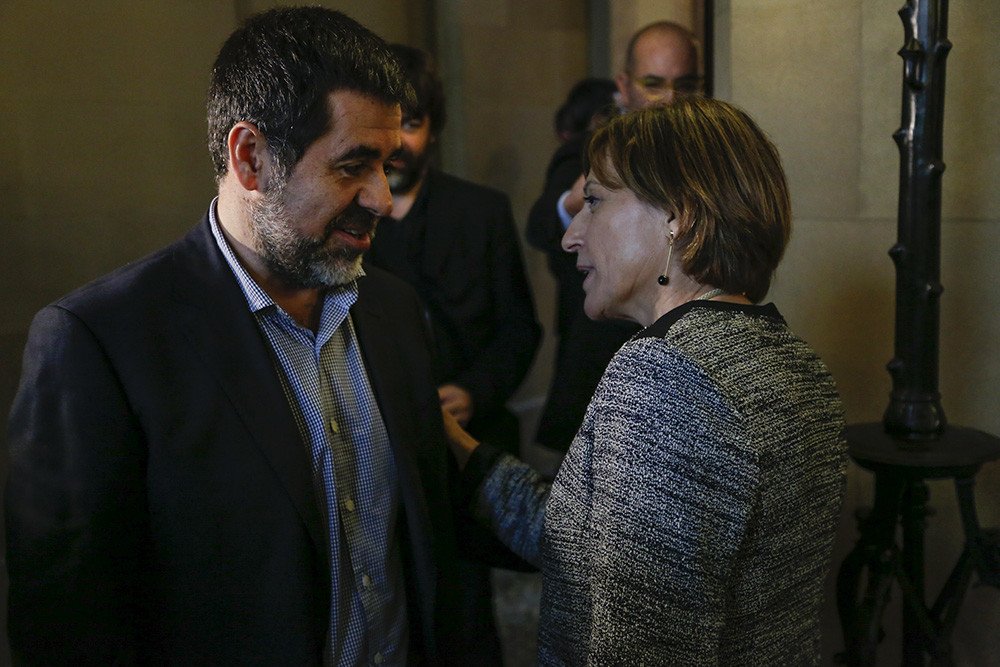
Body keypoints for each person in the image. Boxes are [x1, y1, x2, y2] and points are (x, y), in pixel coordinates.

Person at [5, 8, 468, 664]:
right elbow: (70, 625)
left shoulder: (392, 310)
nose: (382, 200)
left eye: (386, 166)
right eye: (352, 167)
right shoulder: (99, 343)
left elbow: (432, 544)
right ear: (250, 158)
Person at [448, 98, 848, 665]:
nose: (571, 237)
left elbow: (635, 640)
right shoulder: (796, 360)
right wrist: (459, 448)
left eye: (594, 201)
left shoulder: (664, 373)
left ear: (676, 217)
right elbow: (589, 548)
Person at [366, 43, 542, 665]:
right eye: (383, 127)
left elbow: (520, 327)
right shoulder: (344, 221)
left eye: (410, 124)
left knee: (467, 616)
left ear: (433, 128)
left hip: (471, 443)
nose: (397, 144)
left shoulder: (481, 211)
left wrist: (472, 392)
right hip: (378, 450)